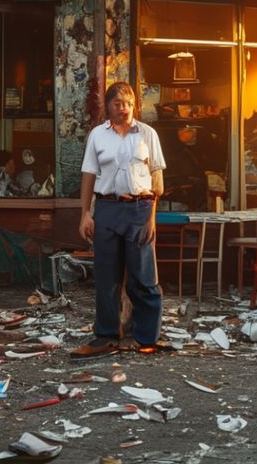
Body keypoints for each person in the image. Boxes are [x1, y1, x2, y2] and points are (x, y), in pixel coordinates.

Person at [71, 82, 166, 358]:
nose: (123, 108)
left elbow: (157, 182)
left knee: (144, 276)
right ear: (108, 106)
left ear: (134, 105)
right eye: (117, 103)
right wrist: (85, 214)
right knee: (106, 276)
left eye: (127, 103)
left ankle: (147, 336)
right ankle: (107, 335)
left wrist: (151, 219)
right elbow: (88, 175)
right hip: (107, 209)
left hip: (140, 209)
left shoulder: (147, 134)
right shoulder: (98, 136)